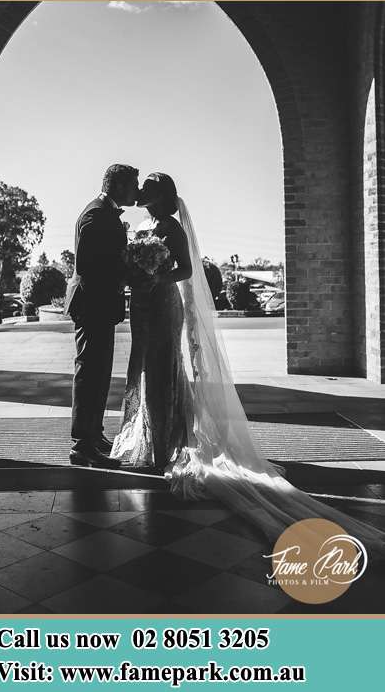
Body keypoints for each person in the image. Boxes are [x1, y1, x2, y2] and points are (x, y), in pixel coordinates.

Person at [111, 172, 385, 556]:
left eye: (148, 189)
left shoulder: (171, 228)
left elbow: (187, 271)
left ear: (161, 195)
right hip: (144, 306)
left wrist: (156, 276)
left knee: (163, 372)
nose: (141, 192)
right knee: (144, 370)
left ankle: (163, 449)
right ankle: (151, 439)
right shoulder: (144, 225)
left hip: (163, 304)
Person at [64, 163, 139, 468]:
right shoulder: (95, 215)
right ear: (119, 186)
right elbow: (87, 266)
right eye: (133, 185)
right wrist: (128, 274)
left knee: (99, 374)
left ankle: (94, 435)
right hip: (92, 306)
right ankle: (82, 446)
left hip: (100, 307)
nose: (136, 191)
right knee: (89, 374)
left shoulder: (104, 214)